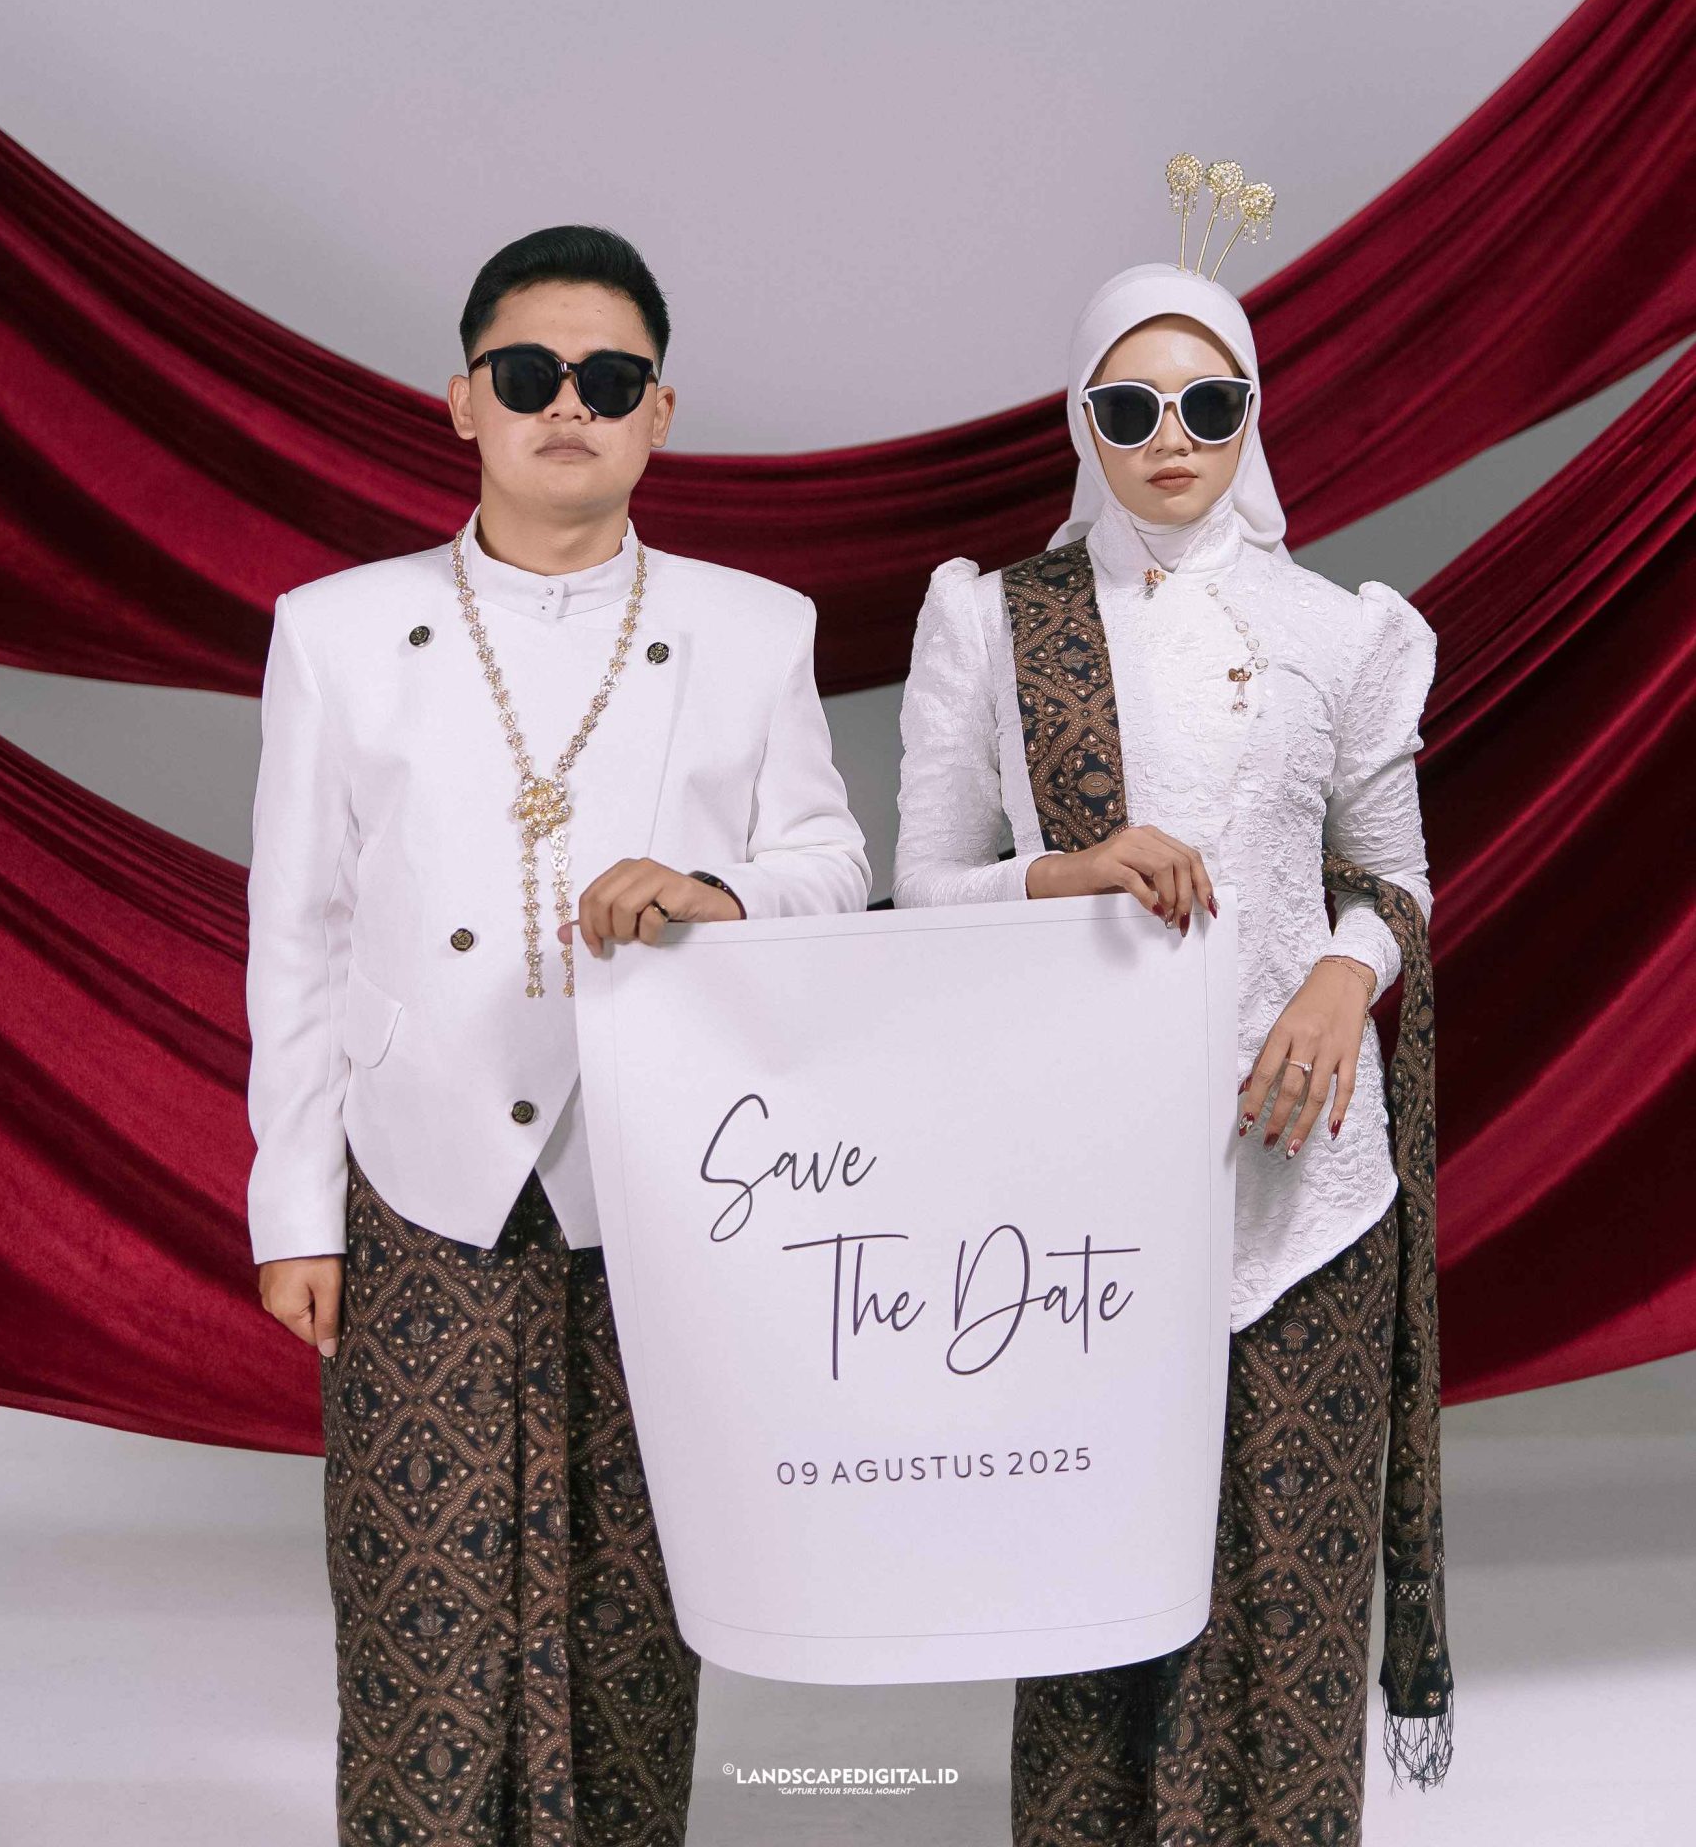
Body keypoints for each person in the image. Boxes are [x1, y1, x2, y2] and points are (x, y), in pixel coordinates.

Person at [246, 223, 871, 1847]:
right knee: (417, 1609)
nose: (567, 405)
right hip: (418, 1170)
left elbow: (833, 867)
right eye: (528, 374)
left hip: (661, 1184)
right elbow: (300, 934)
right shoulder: (331, 630)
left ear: (662, 410)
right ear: (463, 401)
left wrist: (717, 891)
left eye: (608, 377)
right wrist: (294, 1209)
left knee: (634, 1614)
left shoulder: (757, 627)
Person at [892, 168, 1452, 1845]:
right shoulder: (996, 622)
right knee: (1094, 1601)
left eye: (1208, 404)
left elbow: (1397, 880)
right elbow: (919, 895)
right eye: (1128, 407)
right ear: (1084, 422)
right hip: (1080, 1199)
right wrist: (1062, 873)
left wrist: (1345, 975)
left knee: (1291, 1600)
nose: (1171, 438)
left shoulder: (1338, 632)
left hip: (1306, 1195)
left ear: (1251, 413)